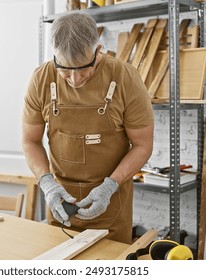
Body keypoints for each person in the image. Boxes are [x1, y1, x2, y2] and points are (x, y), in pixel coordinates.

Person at [21, 12, 154, 244]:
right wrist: (47, 184)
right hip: (60, 204)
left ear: (98, 50)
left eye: (83, 70)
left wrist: (109, 187)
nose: (74, 79)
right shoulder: (41, 79)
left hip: (111, 206)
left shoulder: (125, 78)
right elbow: (30, 141)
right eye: (64, 70)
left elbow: (143, 145)